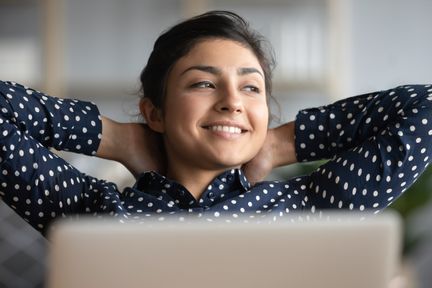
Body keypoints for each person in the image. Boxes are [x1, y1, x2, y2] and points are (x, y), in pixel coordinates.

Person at [0, 10, 431, 235]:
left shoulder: (310, 207)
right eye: (204, 84)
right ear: (155, 112)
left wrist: (281, 143)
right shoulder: (89, 210)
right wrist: (115, 138)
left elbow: (426, 108)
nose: (231, 102)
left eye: (250, 88)